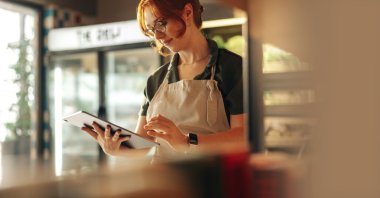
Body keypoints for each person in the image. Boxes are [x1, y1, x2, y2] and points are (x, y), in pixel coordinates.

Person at [82, 0, 247, 161]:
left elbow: (243, 135)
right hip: (164, 182)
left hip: (212, 181)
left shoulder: (232, 68)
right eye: (151, 30)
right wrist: (116, 148)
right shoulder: (155, 80)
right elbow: (145, 145)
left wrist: (187, 142)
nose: (157, 36)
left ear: (188, 12)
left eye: (161, 24)